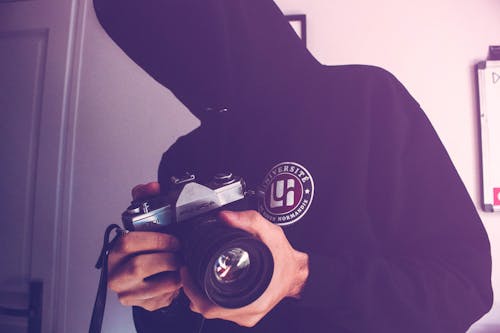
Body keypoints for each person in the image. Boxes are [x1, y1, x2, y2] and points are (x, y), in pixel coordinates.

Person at [93, 0, 493, 332]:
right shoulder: (182, 161)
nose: (177, 50)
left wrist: (303, 277)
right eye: (153, 40)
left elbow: (465, 289)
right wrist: (154, 298)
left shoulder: (367, 101)